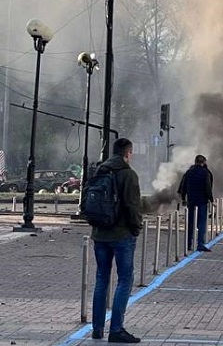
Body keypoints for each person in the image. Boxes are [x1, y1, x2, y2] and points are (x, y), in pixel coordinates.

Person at [90, 138, 142, 343]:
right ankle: (116, 329)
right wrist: (136, 228)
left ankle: (97, 328)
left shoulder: (99, 171)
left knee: (101, 279)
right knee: (124, 279)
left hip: (99, 233)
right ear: (127, 154)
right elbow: (132, 206)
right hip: (121, 235)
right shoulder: (128, 174)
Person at [178, 154, 214, 252]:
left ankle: (189, 244)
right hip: (202, 201)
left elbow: (183, 187)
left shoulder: (189, 172)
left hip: (191, 201)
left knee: (190, 223)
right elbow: (208, 188)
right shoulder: (206, 173)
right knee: (201, 224)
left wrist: (183, 199)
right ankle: (200, 244)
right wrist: (211, 199)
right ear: (203, 162)